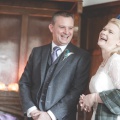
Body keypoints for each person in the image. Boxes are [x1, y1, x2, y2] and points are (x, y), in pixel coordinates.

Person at [19, 11, 91, 120]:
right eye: (62, 27)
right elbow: (24, 82)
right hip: (33, 117)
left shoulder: (81, 57)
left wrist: (50, 115)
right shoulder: (37, 52)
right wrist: (32, 109)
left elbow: (76, 91)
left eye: (70, 28)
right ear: (51, 28)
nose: (67, 32)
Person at [79, 16, 120, 120]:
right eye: (104, 29)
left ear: (119, 42)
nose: (103, 32)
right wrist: (87, 101)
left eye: (110, 32)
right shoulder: (104, 63)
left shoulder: (115, 60)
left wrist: (93, 97)